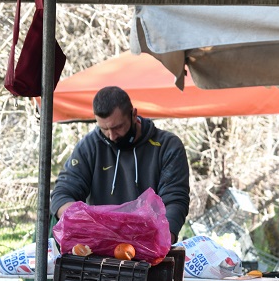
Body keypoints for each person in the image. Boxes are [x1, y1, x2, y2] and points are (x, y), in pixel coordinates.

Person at [50, 86, 190, 241]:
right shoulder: (90, 146)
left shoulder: (167, 146)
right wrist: (90, 224)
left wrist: (163, 240)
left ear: (133, 114)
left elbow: (175, 200)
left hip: (149, 240)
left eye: (117, 127)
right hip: (100, 242)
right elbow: (61, 196)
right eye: (104, 129)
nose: (111, 136)